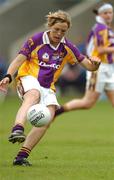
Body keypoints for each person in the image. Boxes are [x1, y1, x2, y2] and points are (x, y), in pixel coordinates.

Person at [0, 10, 100, 166]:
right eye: (56, 30)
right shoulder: (36, 40)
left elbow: (88, 65)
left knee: (49, 116)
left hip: (47, 87)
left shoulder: (67, 47)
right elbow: (18, 61)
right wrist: (8, 76)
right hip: (27, 78)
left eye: (63, 31)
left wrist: (95, 64)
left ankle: (21, 157)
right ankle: (17, 128)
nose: (59, 33)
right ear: (50, 26)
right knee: (33, 95)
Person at [55, 4, 114, 118]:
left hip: (109, 68)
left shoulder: (108, 29)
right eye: (105, 13)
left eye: (110, 12)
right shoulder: (100, 28)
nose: (108, 15)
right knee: (87, 102)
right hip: (98, 68)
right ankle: (56, 112)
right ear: (99, 14)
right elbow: (100, 49)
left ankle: (55, 112)